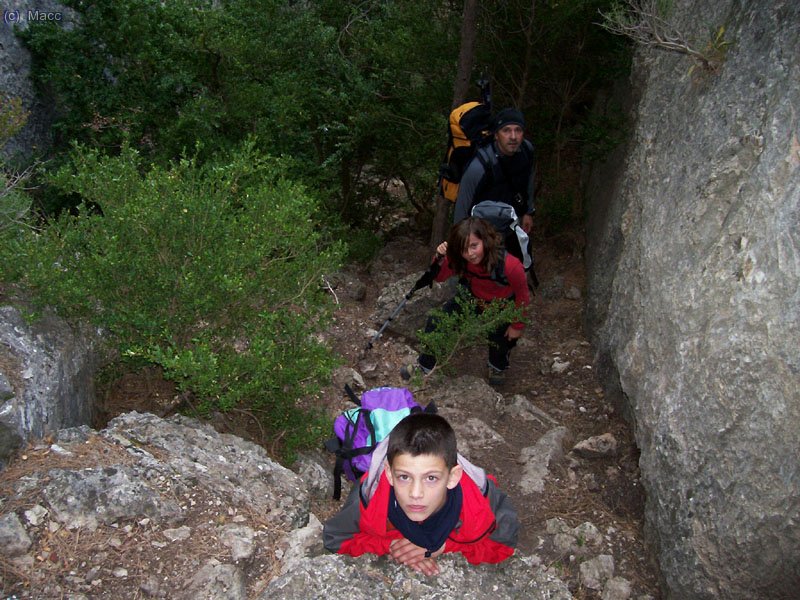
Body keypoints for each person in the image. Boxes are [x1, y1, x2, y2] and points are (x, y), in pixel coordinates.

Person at [322, 412, 519, 575]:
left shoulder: (479, 496)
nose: (416, 493)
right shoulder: (369, 495)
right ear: (389, 474)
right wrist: (392, 547)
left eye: (431, 478)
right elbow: (335, 538)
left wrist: (444, 547)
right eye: (404, 477)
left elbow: (505, 543)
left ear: (453, 477)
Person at [406, 217, 530, 385]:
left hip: (501, 304)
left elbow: (522, 296)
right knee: (437, 320)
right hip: (473, 298)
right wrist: (439, 257)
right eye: (464, 249)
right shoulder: (460, 258)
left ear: (485, 240)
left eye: (474, 246)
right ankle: (425, 365)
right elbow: (440, 277)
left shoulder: (510, 265)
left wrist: (517, 325)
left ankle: (497, 366)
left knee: (501, 337)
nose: (470, 254)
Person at [453, 107, 535, 274]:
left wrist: (528, 211)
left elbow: (528, 181)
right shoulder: (479, 167)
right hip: (481, 229)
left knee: (514, 268)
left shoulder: (526, 151)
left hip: (511, 222)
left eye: (518, 130)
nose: (513, 136)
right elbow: (461, 208)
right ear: (496, 135)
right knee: (485, 274)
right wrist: (462, 246)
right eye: (506, 130)